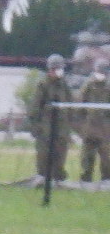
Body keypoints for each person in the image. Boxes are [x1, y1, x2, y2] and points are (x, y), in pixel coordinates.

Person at [27, 54, 72, 185]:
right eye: (58, 68)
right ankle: (43, 178)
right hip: (46, 127)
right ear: (51, 69)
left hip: (61, 127)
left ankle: (58, 178)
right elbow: (35, 107)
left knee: (60, 152)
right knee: (44, 154)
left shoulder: (64, 85)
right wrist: (35, 127)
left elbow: (70, 104)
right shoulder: (43, 84)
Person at [75, 59, 109, 184]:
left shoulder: (108, 86)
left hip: (105, 129)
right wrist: (80, 127)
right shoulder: (88, 85)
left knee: (106, 156)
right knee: (87, 157)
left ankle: (106, 179)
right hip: (89, 127)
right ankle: (85, 179)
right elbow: (79, 105)